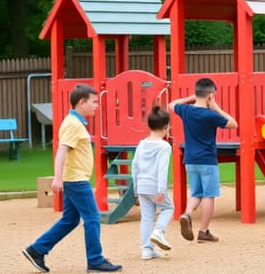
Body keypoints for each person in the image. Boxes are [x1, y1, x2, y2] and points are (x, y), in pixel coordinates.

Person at [22, 84, 122, 272]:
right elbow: (61, 150)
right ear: (81, 102)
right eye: (94, 102)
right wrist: (57, 178)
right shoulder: (73, 124)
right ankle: (95, 260)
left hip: (75, 179)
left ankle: (37, 250)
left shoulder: (75, 122)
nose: (96, 106)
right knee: (92, 218)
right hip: (76, 180)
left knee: (70, 220)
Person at [168, 78, 237, 243]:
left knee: (196, 192)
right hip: (207, 160)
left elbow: (171, 104)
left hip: (190, 160)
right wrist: (217, 108)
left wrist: (190, 98)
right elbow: (233, 124)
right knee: (209, 195)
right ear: (211, 96)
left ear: (197, 93)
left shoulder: (186, 110)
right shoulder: (210, 115)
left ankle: (187, 213)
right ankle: (204, 231)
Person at [131, 106, 174, 260]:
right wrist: (162, 190)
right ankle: (159, 232)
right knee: (169, 208)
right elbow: (162, 170)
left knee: (147, 218)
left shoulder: (141, 144)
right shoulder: (164, 146)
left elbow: (134, 167)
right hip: (156, 186)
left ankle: (147, 250)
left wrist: (136, 191)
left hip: (142, 186)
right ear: (165, 128)